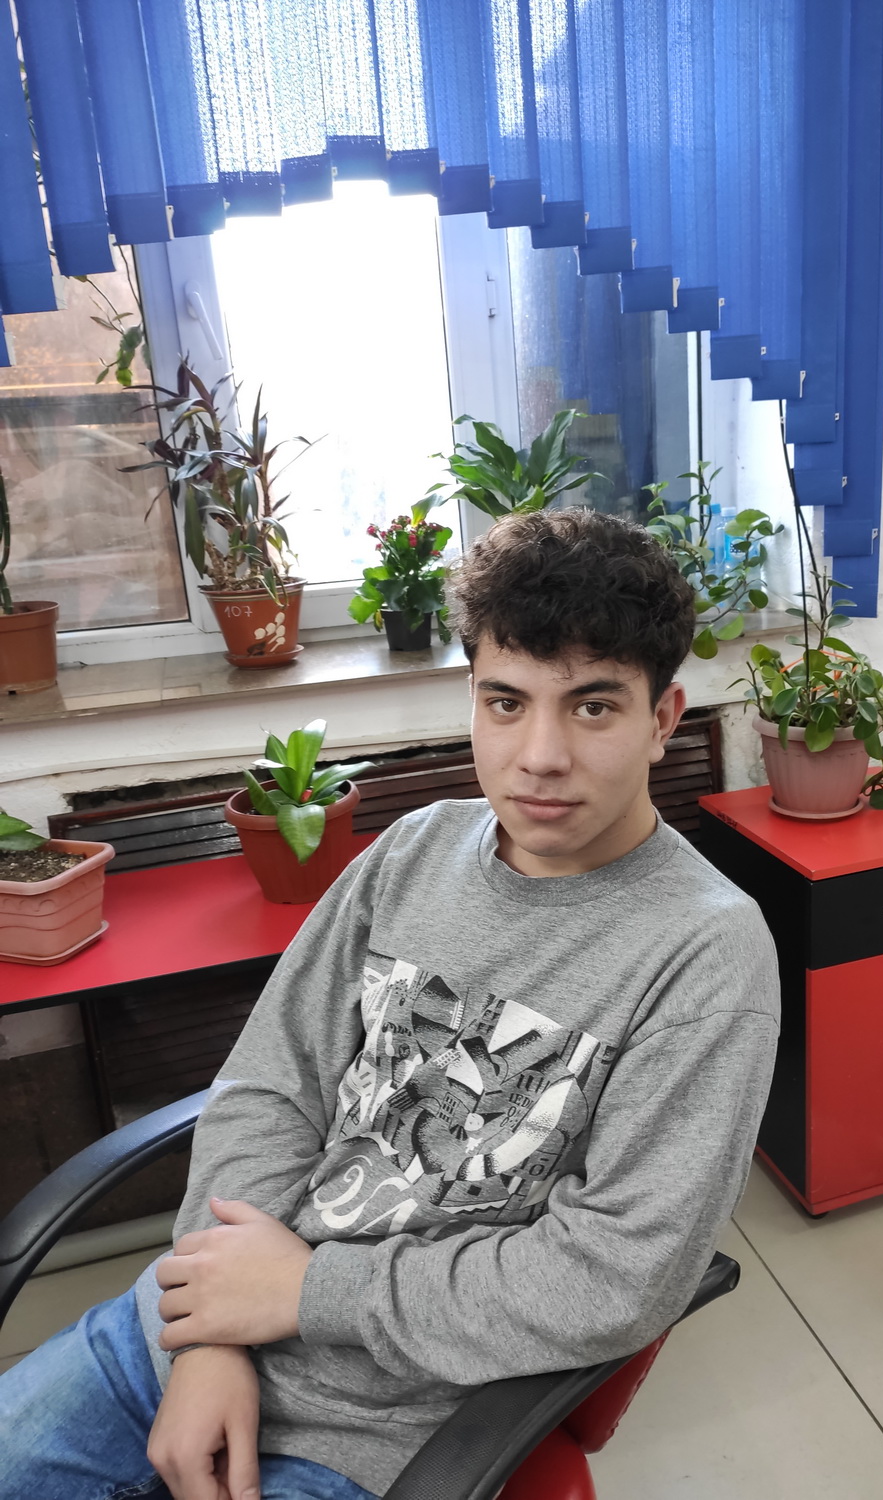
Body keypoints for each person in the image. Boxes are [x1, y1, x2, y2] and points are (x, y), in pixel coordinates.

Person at [0, 508, 780, 1500]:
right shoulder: (414, 851)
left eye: (592, 706)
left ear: (663, 719)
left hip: (376, 1428)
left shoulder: (705, 952)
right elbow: (269, 1087)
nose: (540, 754)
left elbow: (613, 1277)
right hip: (188, 1322)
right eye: (506, 702)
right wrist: (208, 1338)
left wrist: (303, 1293)